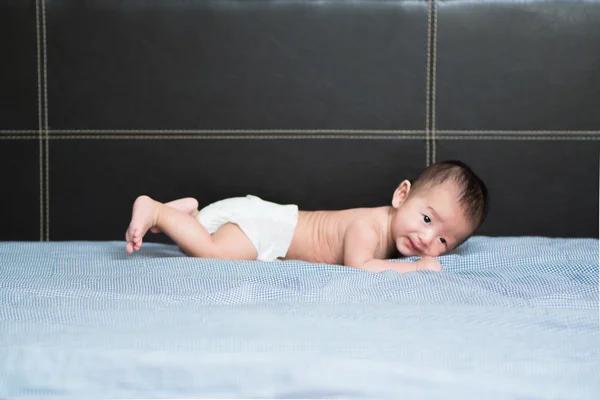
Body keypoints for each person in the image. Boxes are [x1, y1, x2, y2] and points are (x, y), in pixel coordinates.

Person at [125, 160, 488, 273]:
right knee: (213, 254)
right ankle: (155, 208)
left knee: (201, 247)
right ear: (402, 195)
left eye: (444, 240)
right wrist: (416, 267)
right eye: (427, 220)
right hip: (268, 228)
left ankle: (187, 215)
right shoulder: (366, 225)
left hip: (268, 224)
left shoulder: (391, 232)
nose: (427, 240)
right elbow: (360, 266)